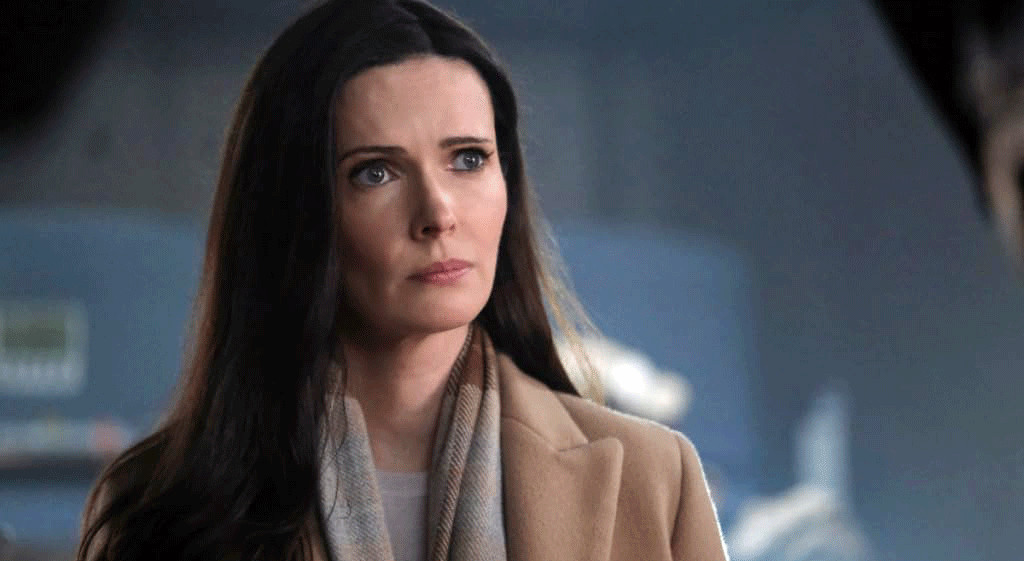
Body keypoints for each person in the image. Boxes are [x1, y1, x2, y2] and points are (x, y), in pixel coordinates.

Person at [76, 1, 728, 560]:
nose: (438, 213)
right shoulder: (155, 507)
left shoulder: (655, 480)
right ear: (294, 211)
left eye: (468, 159)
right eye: (376, 172)